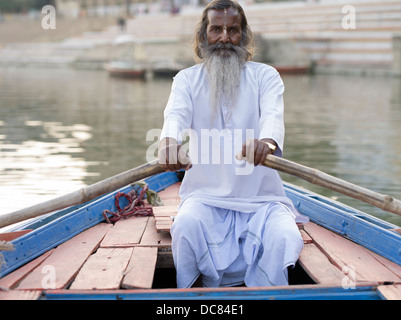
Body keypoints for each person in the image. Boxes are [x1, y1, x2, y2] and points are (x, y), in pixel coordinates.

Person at [158, 0, 308, 288]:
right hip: (204, 198)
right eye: (216, 29)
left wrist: (267, 142)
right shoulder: (186, 80)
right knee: (186, 227)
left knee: (286, 237)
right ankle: (193, 298)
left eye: (233, 30)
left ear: (244, 35)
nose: (224, 38)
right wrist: (169, 143)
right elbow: (174, 116)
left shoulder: (266, 76)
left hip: (262, 202)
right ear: (203, 36)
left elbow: (273, 118)